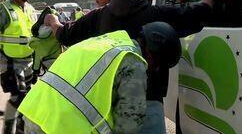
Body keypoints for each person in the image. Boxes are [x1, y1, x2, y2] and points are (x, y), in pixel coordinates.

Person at [44, 0, 220, 132]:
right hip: (149, 99)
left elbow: (65, 35)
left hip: (106, 101)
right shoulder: (157, 14)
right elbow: (200, 13)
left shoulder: (98, 16)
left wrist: (53, 21)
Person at [18, 22, 181, 134]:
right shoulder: (134, 62)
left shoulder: (108, 41)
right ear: (153, 56)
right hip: (60, 128)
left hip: (33, 115)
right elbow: (129, 124)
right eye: (159, 65)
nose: (155, 70)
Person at [0, 0, 37, 134]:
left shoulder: (30, 8)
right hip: (10, 62)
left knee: (27, 97)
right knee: (18, 96)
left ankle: (20, 129)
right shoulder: (3, 10)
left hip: (28, 61)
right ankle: (8, 129)